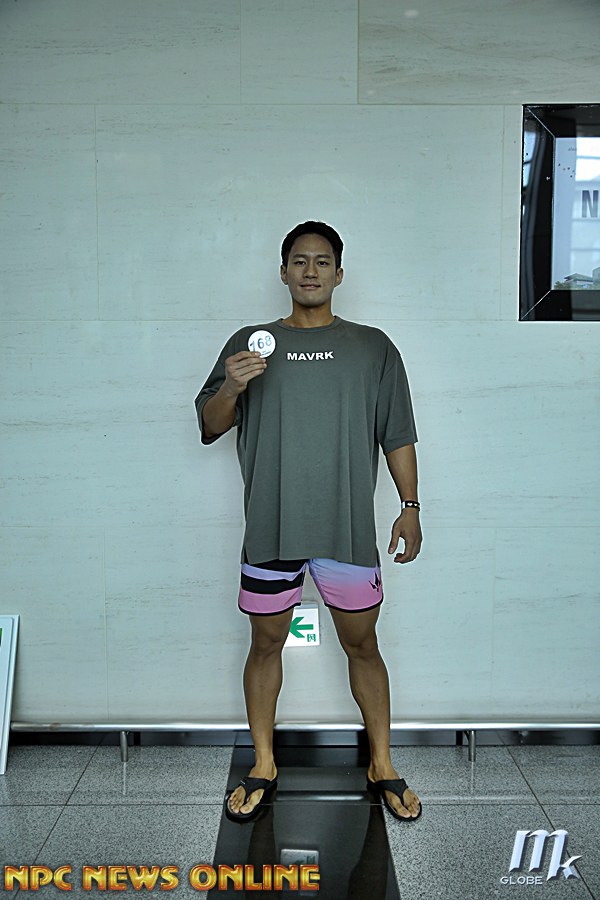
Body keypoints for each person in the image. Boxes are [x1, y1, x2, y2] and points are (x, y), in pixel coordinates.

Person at [194, 221, 422, 823]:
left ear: (339, 274)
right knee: (265, 643)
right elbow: (210, 426)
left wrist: (410, 507)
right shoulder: (250, 344)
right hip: (271, 529)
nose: (311, 271)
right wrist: (232, 386)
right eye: (299, 261)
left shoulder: (373, 347)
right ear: (283, 272)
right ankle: (264, 763)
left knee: (363, 644)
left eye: (323, 261)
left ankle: (382, 763)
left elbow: (397, 433)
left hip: (346, 530)